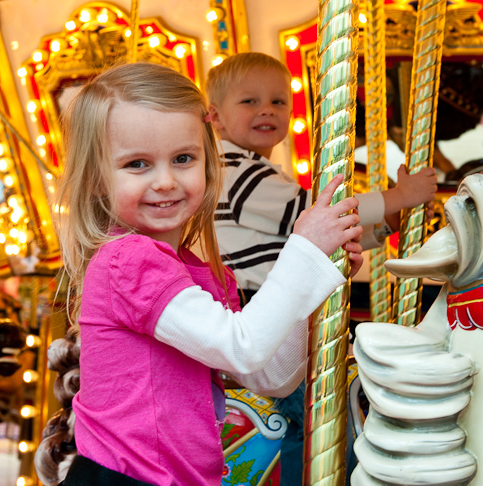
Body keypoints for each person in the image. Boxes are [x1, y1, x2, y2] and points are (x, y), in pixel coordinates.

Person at [34, 62, 364, 486]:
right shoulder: (126, 261)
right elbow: (241, 347)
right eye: (137, 164)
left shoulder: (198, 271)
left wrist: (317, 285)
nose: (166, 181)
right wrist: (303, 252)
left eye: (184, 158)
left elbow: (271, 377)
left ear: (209, 163)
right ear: (97, 179)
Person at [206, 52, 438, 485]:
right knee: (310, 415)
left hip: (276, 306)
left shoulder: (251, 169)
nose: (266, 111)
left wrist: (379, 229)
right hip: (264, 310)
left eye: (278, 102)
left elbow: (311, 238)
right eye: (249, 101)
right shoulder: (231, 170)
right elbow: (313, 213)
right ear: (215, 117)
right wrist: (398, 196)